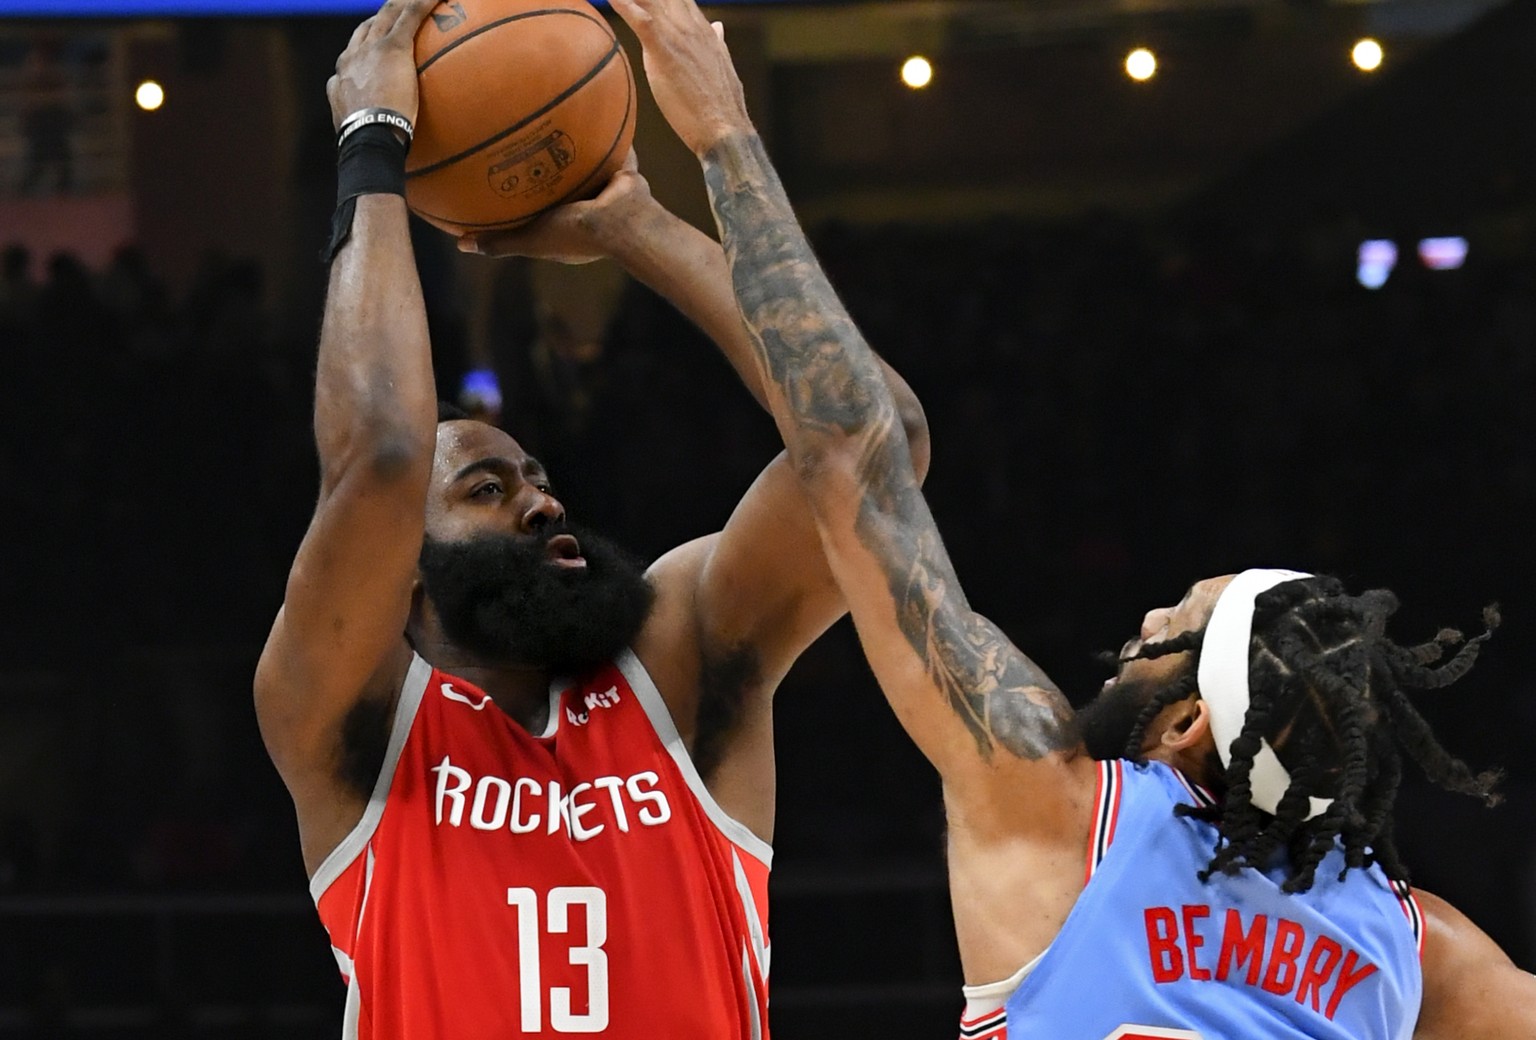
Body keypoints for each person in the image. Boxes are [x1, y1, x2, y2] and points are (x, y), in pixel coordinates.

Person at [601, 0, 1536, 1037]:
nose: (1142, 618)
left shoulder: (1059, 804)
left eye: (1172, 623)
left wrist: (719, 139)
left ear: (1188, 723)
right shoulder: (1417, 946)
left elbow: (850, 455)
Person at [253, 2, 928, 1036]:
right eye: (486, 489)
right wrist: (373, 148)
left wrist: (638, 223)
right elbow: (383, 455)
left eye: (535, 476)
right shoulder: (354, 723)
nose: (542, 499)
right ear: (407, 571)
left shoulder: (680, 660)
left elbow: (875, 448)